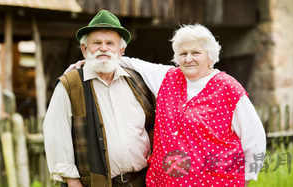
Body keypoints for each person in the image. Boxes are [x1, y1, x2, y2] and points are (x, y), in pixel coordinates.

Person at [69, 24, 266, 187]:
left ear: (210, 55)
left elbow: (254, 136)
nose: (188, 59)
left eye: (195, 52)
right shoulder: (168, 78)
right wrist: (95, 60)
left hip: (216, 181)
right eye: (183, 53)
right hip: (164, 181)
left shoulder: (228, 88)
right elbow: (133, 62)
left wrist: (246, 177)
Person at [43, 10, 156, 187]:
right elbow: (56, 135)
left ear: (121, 50)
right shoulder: (70, 85)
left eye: (110, 43)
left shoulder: (137, 81)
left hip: (141, 181)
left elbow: (153, 125)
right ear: (84, 49)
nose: (103, 48)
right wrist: (73, 183)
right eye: (97, 43)